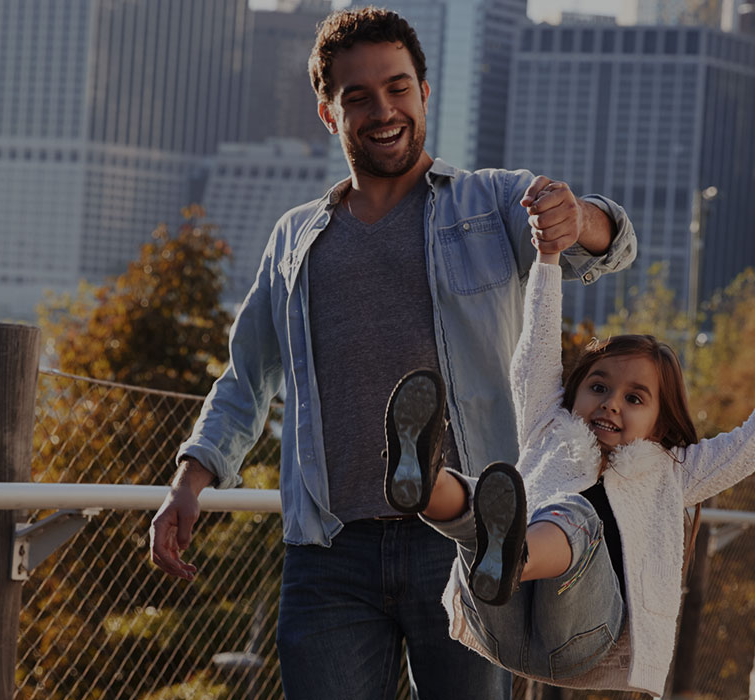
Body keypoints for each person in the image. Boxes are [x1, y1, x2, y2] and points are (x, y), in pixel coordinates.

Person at [150, 8, 638, 699]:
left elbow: (610, 246)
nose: (384, 110)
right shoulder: (295, 239)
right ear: (328, 113)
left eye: (399, 88)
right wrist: (188, 484)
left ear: (425, 94)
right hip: (328, 557)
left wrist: (578, 216)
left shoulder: (490, 202)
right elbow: (246, 377)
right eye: (359, 96)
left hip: (469, 546)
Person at [376, 230, 755, 697]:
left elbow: (750, 444)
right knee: (482, 494)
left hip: (581, 638)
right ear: (577, 391)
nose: (610, 404)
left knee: (574, 516)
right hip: (497, 618)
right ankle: (424, 483)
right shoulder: (550, 426)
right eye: (599, 388)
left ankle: (512, 551)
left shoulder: (672, 472)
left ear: (660, 424)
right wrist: (546, 257)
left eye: (634, 398)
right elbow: (535, 355)